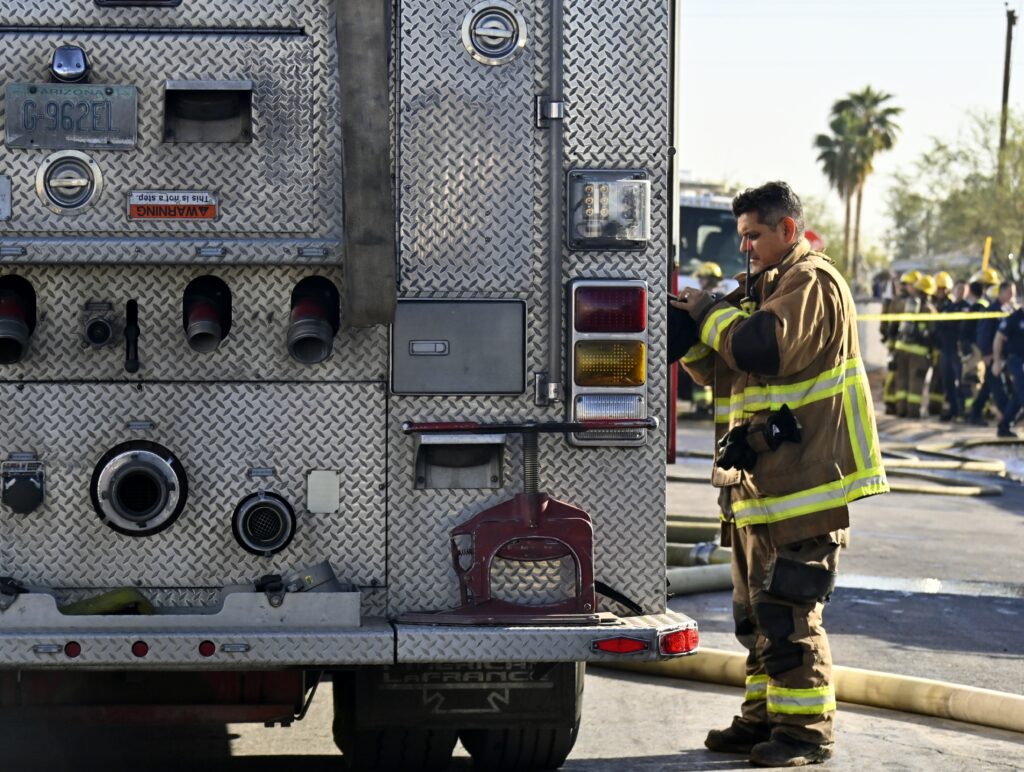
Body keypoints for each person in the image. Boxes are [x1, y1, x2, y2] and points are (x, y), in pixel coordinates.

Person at [670, 182, 888, 768]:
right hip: (760, 489)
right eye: (741, 236)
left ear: (787, 229)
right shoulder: (763, 287)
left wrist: (710, 312)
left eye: (754, 235)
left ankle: (805, 733)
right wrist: (686, 332)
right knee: (756, 619)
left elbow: (761, 348)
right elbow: (726, 368)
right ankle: (764, 719)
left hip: (806, 490)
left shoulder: (811, 283)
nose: (745, 247)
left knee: (789, 614)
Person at [969, 278, 1012, 426]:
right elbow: (984, 333)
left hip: (1001, 355)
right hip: (992, 355)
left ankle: (975, 413)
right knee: (997, 386)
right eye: (1010, 292)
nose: (1012, 296)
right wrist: (986, 354)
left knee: (987, 387)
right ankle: (1008, 416)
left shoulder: (1006, 310)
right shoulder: (992, 310)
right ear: (1001, 292)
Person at [881, 271, 919, 415]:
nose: (902, 287)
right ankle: (890, 404)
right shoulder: (900, 301)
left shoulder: (911, 300)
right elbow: (890, 322)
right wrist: (888, 335)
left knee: (901, 377)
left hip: (902, 343)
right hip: (896, 342)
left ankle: (898, 406)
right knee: (893, 374)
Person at [992, 283, 1022, 437]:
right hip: (1016, 361)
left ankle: (1004, 426)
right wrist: (997, 361)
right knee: (1022, 393)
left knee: (1017, 396)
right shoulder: (1015, 318)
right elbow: (998, 338)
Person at [934, 272, 964, 420]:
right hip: (944, 349)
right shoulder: (939, 306)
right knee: (947, 381)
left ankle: (960, 410)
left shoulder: (955, 307)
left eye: (943, 289)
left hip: (954, 349)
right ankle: (952, 409)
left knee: (959, 380)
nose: (940, 292)